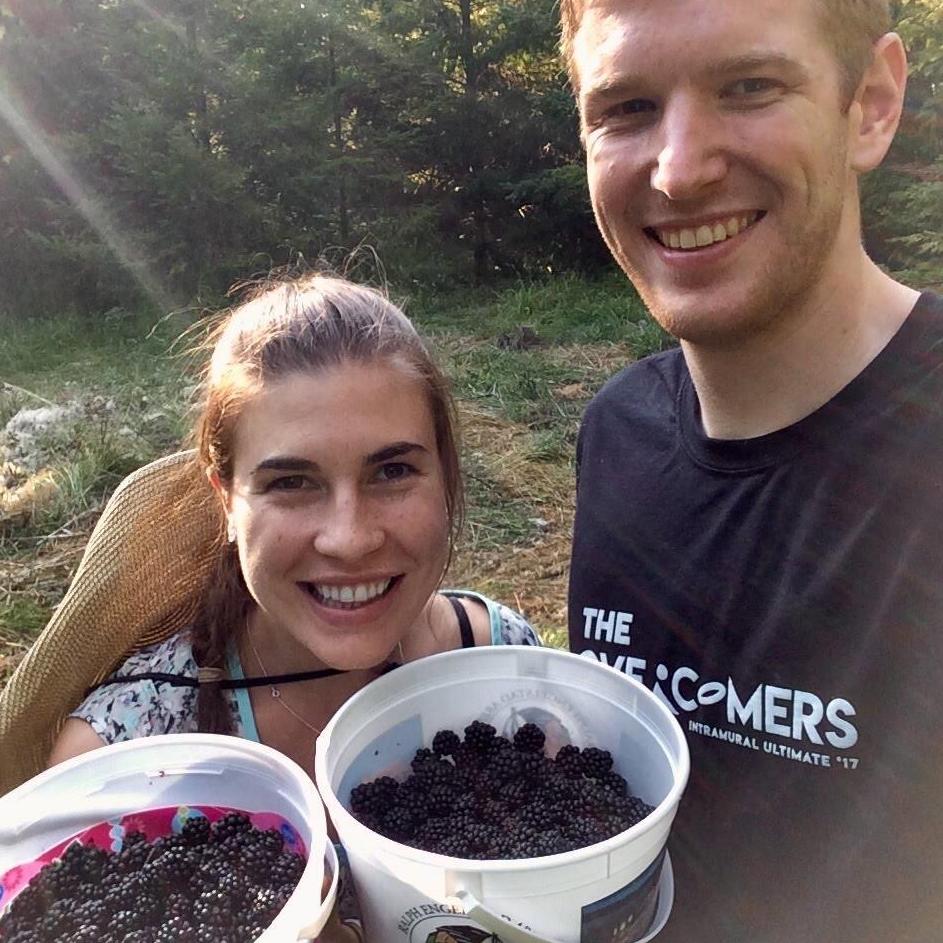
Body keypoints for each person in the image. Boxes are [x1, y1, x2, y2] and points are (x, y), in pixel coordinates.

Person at [0, 273, 538, 941]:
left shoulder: (506, 669)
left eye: (392, 471)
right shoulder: (124, 757)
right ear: (225, 499)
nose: (349, 537)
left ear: (447, 475)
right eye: (291, 482)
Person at [561, 1, 943, 941]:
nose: (679, 167)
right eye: (626, 108)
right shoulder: (617, 434)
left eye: (749, 87)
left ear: (872, 104)